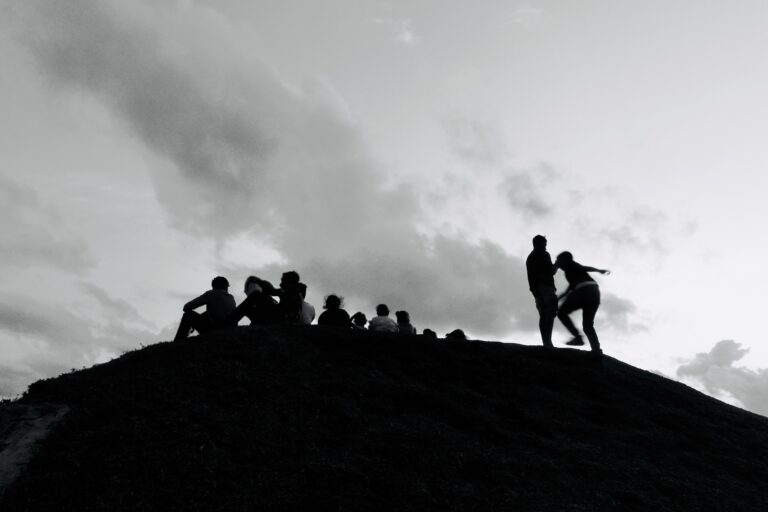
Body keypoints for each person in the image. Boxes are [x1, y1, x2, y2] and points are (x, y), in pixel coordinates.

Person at [554, 251, 610, 355]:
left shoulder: (572, 265)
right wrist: (559, 298)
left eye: (559, 261)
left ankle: (578, 337)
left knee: (561, 312)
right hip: (594, 293)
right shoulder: (571, 272)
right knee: (588, 325)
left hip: (584, 291)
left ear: (565, 261)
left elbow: (585, 268)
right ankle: (596, 350)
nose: (558, 264)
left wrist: (598, 270)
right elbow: (569, 288)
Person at [174, 276, 236, 341]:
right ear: (226, 287)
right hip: (228, 329)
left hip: (214, 329)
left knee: (188, 315)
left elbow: (186, 307)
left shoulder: (211, 293)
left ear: (214, 287)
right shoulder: (231, 298)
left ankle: (178, 341)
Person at [526, 234, 558, 349]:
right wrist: (557, 264)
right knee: (550, 313)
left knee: (543, 315)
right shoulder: (544, 254)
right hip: (546, 286)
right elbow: (551, 271)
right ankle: (548, 343)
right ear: (539, 244)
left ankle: (546, 343)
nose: (545, 247)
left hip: (536, 290)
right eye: (544, 244)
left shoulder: (530, 258)